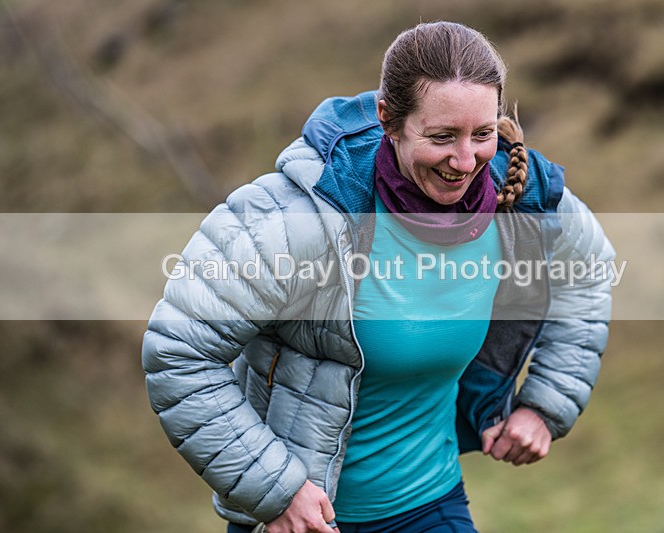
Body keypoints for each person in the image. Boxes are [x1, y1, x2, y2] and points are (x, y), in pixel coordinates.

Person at [142, 21, 614, 533]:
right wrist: (274, 491)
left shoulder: (521, 196)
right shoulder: (299, 220)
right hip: (305, 521)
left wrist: (546, 403)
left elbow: (588, 270)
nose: (465, 161)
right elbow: (179, 352)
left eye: (482, 134)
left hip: (432, 504)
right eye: (441, 137)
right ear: (389, 119)